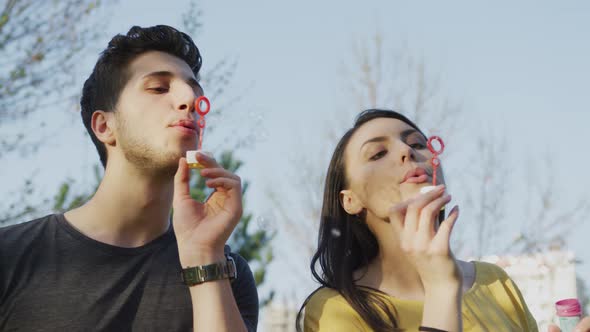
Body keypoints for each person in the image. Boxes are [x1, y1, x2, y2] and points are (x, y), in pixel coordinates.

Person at [0, 25, 258, 331]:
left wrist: (203, 256)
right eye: (159, 88)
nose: (188, 98)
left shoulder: (225, 272)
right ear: (104, 126)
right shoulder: (10, 256)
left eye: (196, 93)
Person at [299, 109, 538, 331]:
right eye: (378, 154)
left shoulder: (494, 281)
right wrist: (441, 289)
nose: (407, 151)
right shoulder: (334, 309)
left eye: (417, 143)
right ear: (350, 200)